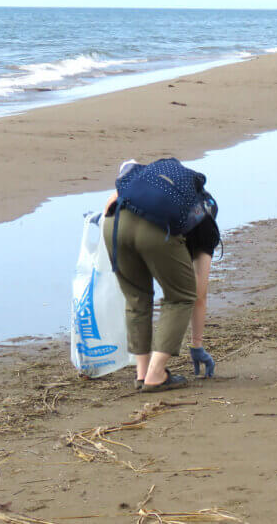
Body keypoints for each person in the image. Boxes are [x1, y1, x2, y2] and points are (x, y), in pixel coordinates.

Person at [103, 160, 220, 392]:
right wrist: (197, 346)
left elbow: (114, 198)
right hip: (154, 230)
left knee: (137, 299)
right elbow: (198, 294)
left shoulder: (152, 183)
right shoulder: (205, 223)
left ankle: (142, 373)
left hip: (113, 223)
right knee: (180, 297)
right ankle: (156, 375)